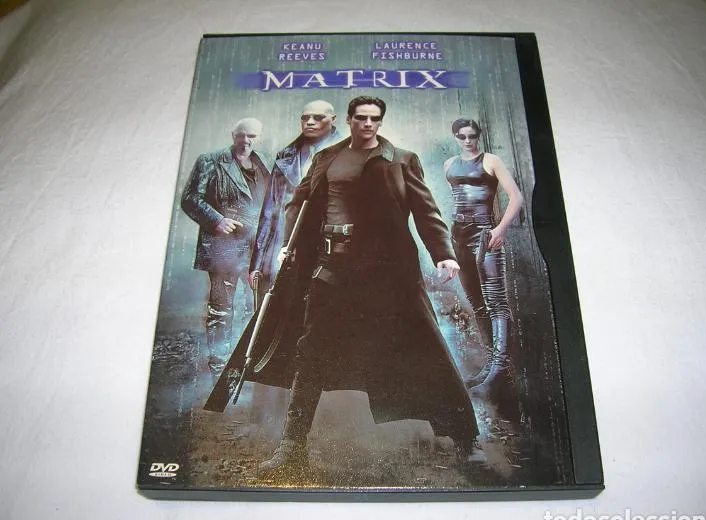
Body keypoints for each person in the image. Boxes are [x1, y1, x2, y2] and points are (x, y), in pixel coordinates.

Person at [256, 96, 484, 477]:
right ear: (348, 120)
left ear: (380, 122)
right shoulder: (327, 158)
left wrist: (443, 254)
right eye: (360, 118)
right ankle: (292, 446)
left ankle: (466, 439)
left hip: (387, 272)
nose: (367, 124)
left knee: (426, 348)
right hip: (331, 267)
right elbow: (300, 202)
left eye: (374, 119)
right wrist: (291, 244)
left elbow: (426, 210)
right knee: (311, 353)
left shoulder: (401, 160)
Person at [181, 118, 270, 372]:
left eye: (252, 136)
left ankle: (248, 363)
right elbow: (190, 198)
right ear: (233, 135)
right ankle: (219, 365)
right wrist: (216, 220)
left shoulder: (265, 163)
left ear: (259, 137)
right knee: (221, 309)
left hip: (257, 249)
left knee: (256, 306)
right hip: (224, 249)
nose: (246, 140)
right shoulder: (210, 161)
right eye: (241, 135)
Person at [443, 119, 523, 391]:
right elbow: (457, 198)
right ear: (455, 137)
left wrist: (500, 229)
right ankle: (490, 366)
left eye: (472, 136)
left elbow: (516, 197)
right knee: (476, 302)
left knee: (496, 301)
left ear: (478, 135)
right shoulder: (449, 165)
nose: (468, 141)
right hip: (458, 235)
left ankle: (500, 368)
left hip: (484, 234)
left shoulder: (491, 160)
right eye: (462, 136)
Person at [248, 100, 343, 295]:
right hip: (285, 247)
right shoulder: (286, 156)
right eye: (305, 118)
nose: (310, 122)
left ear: (333, 119)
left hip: (328, 247)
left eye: (318, 117)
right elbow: (269, 212)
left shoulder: (351, 152)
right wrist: (257, 264)